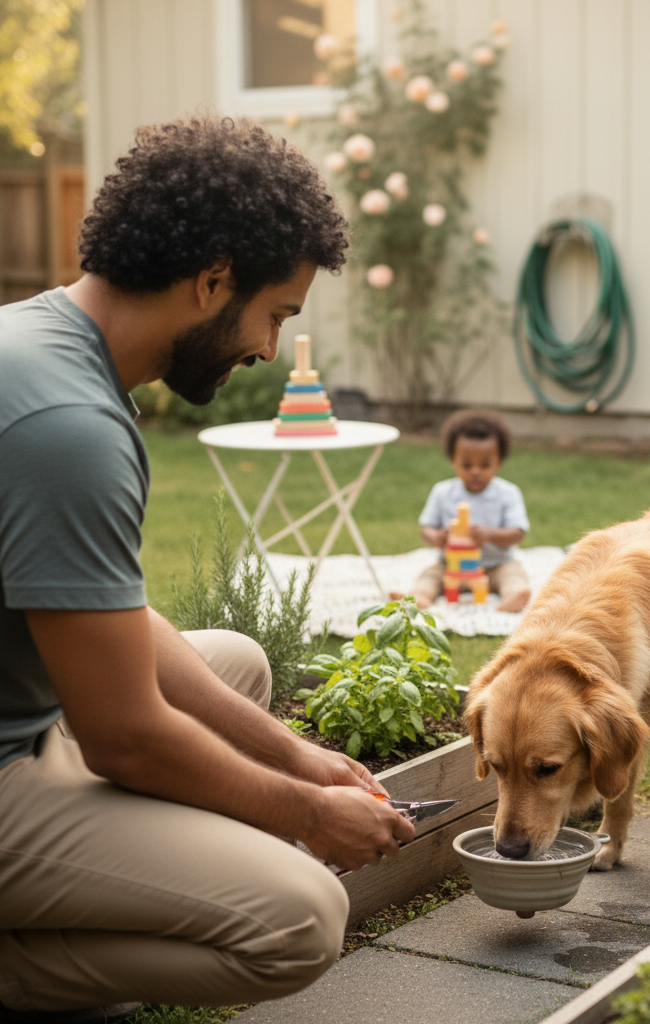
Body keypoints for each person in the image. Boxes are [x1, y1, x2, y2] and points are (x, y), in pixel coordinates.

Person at [0, 116, 416, 1024]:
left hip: (25, 720)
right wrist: (305, 814)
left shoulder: (38, 342)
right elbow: (126, 740)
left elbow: (111, 617)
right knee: (302, 918)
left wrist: (297, 756)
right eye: (277, 314)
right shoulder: (66, 429)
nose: (268, 348)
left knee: (236, 661)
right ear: (212, 280)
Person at [408, 409, 532, 613]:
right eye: (467, 465)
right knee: (430, 576)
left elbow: (517, 533)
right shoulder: (442, 492)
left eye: (485, 465)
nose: (475, 471)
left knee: (513, 576)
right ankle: (420, 596)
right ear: (453, 460)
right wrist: (438, 537)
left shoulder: (508, 493)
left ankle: (515, 597)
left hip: (496, 565)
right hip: (451, 565)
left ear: (499, 462)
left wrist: (491, 534)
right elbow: (426, 529)